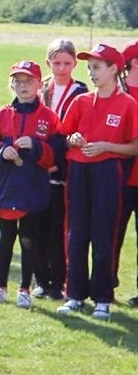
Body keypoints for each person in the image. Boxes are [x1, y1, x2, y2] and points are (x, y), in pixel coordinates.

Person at [57, 43, 138, 320]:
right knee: (76, 233)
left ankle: (102, 297)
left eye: (97, 67)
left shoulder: (128, 104)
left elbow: (134, 146)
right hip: (78, 172)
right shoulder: (79, 102)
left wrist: (106, 147)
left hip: (107, 173)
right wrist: (73, 140)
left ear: (114, 69)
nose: (91, 73)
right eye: (89, 68)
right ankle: (75, 295)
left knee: (104, 235)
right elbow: (64, 137)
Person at [0, 62, 60, 308]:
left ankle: (25, 288)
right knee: (5, 238)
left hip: (32, 188)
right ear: (12, 84)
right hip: (6, 186)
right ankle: (0, 287)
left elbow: (56, 155)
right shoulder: (2, 114)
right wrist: (2, 151)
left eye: (29, 81)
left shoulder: (49, 118)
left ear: (39, 84)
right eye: (18, 81)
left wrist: (36, 148)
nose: (23, 86)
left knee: (29, 239)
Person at [36, 39, 85, 301]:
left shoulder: (82, 91)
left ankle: (59, 281)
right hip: (37, 167)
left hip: (66, 167)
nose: (62, 68)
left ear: (75, 64)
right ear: (48, 63)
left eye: (67, 63)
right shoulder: (39, 87)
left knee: (58, 226)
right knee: (35, 225)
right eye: (57, 63)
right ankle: (40, 280)